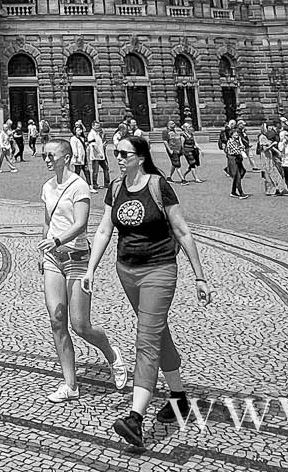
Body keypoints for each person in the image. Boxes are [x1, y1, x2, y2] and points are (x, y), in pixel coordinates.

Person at [83, 132, 214, 452]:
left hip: (160, 270)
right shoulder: (115, 188)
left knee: (146, 338)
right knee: (158, 333)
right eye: (116, 153)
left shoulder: (158, 185)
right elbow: (103, 230)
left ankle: (135, 418)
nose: (118, 158)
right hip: (127, 271)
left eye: (124, 154)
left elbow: (182, 231)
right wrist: (90, 269)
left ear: (140, 157)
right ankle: (180, 397)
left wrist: (200, 277)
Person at [40, 136, 126, 403]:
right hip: (53, 259)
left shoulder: (79, 186)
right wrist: (44, 248)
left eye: (51, 155)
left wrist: (56, 239)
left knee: (80, 325)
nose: (46, 159)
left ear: (66, 157)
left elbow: (80, 224)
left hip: (77, 257)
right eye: (44, 155)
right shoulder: (47, 186)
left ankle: (112, 354)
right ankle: (70, 384)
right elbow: (47, 220)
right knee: (57, 320)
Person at [224, 125, 249, 198]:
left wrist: (241, 142)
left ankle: (233, 191)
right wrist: (242, 151)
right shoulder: (231, 142)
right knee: (237, 175)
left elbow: (242, 148)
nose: (236, 135)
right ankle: (241, 193)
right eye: (235, 134)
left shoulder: (237, 141)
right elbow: (237, 151)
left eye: (237, 134)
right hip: (233, 159)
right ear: (231, 135)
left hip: (237, 159)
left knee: (242, 172)